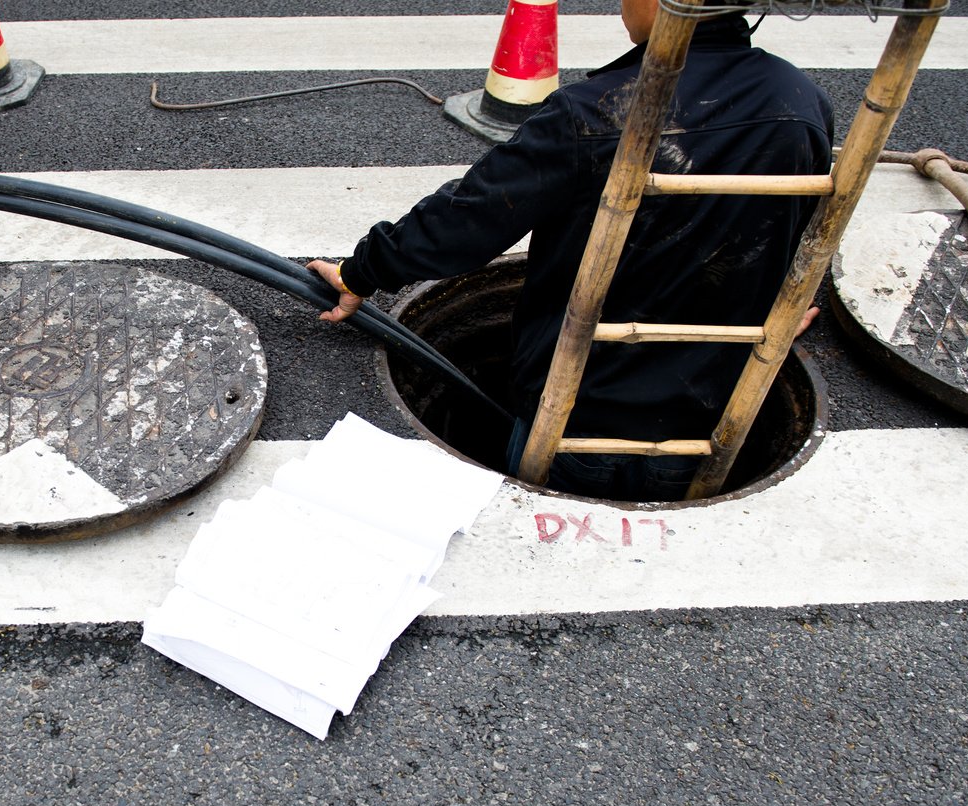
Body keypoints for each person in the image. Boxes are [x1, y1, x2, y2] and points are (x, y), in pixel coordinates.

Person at [310, 0, 833, 500]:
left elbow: (468, 218)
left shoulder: (596, 113)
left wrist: (362, 272)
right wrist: (785, 305)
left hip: (571, 418)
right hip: (706, 417)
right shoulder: (801, 101)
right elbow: (800, 230)